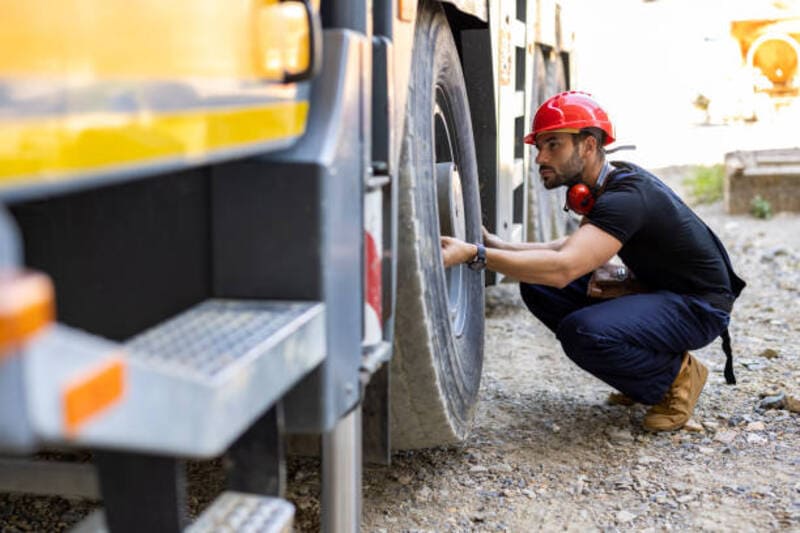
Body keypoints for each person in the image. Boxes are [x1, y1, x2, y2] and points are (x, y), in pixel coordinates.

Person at [441, 91, 745, 431]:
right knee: (539, 288)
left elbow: (563, 268)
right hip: (661, 292)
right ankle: (641, 373)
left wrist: (475, 255)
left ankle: (675, 377)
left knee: (582, 331)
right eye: (539, 147)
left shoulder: (625, 197)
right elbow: (567, 247)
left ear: (587, 145)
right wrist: (497, 245)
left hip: (698, 307)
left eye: (553, 145)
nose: (540, 157)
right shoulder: (611, 184)